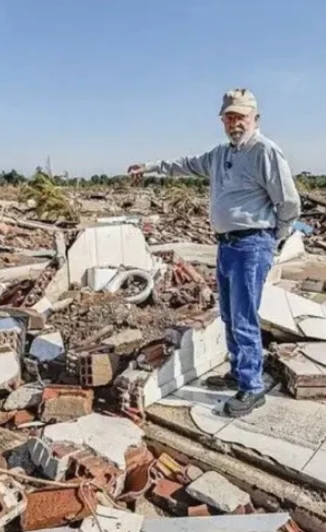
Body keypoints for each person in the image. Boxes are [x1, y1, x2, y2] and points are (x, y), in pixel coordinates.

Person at [128, 88, 301, 417]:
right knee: (229, 315)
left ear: (255, 118)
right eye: (229, 116)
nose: (234, 122)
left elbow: (289, 202)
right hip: (227, 245)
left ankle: (252, 388)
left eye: (241, 116)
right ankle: (238, 373)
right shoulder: (221, 154)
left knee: (245, 318)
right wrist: (149, 167)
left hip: (253, 244)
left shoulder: (265, 151)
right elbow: (185, 165)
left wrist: (274, 239)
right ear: (222, 120)